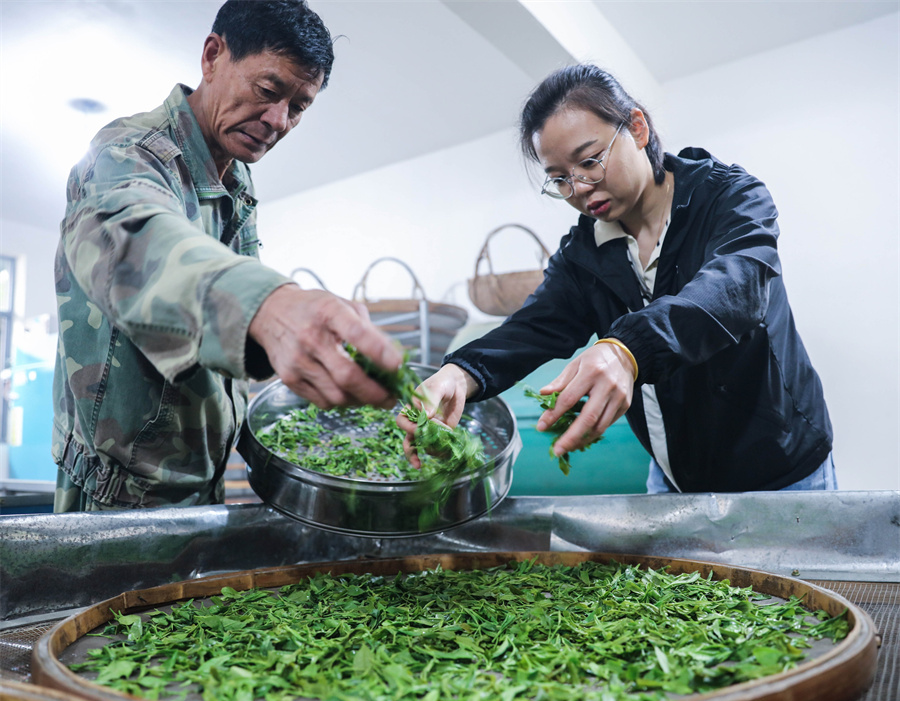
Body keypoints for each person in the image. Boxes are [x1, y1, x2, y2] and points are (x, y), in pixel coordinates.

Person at [401, 64, 836, 494]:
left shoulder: (730, 198)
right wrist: (461, 372)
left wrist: (628, 350)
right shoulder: (584, 253)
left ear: (637, 128)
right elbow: (534, 326)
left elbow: (733, 289)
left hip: (782, 474)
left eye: (590, 161)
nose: (581, 187)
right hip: (673, 477)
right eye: (559, 179)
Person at [52, 0, 401, 512]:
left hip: (202, 486)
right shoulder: (125, 153)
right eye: (268, 91)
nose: (278, 121)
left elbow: (219, 334)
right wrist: (269, 307)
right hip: (118, 497)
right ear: (212, 56)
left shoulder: (237, 182)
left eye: (299, 106)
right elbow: (138, 238)